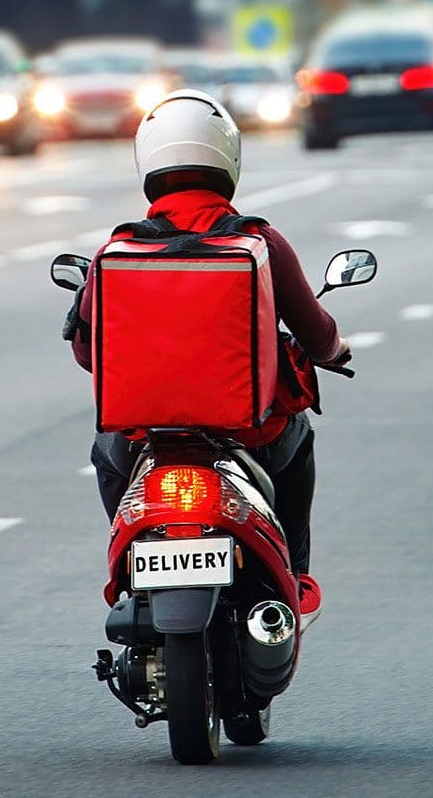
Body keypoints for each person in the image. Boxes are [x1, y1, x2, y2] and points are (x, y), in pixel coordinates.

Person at [65, 89, 349, 621]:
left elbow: (86, 352)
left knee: (106, 454)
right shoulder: (261, 242)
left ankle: (128, 569)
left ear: (148, 163)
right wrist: (334, 350)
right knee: (298, 440)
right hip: (251, 436)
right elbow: (316, 332)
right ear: (229, 161)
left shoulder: (117, 250)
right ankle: (296, 577)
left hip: (145, 437)